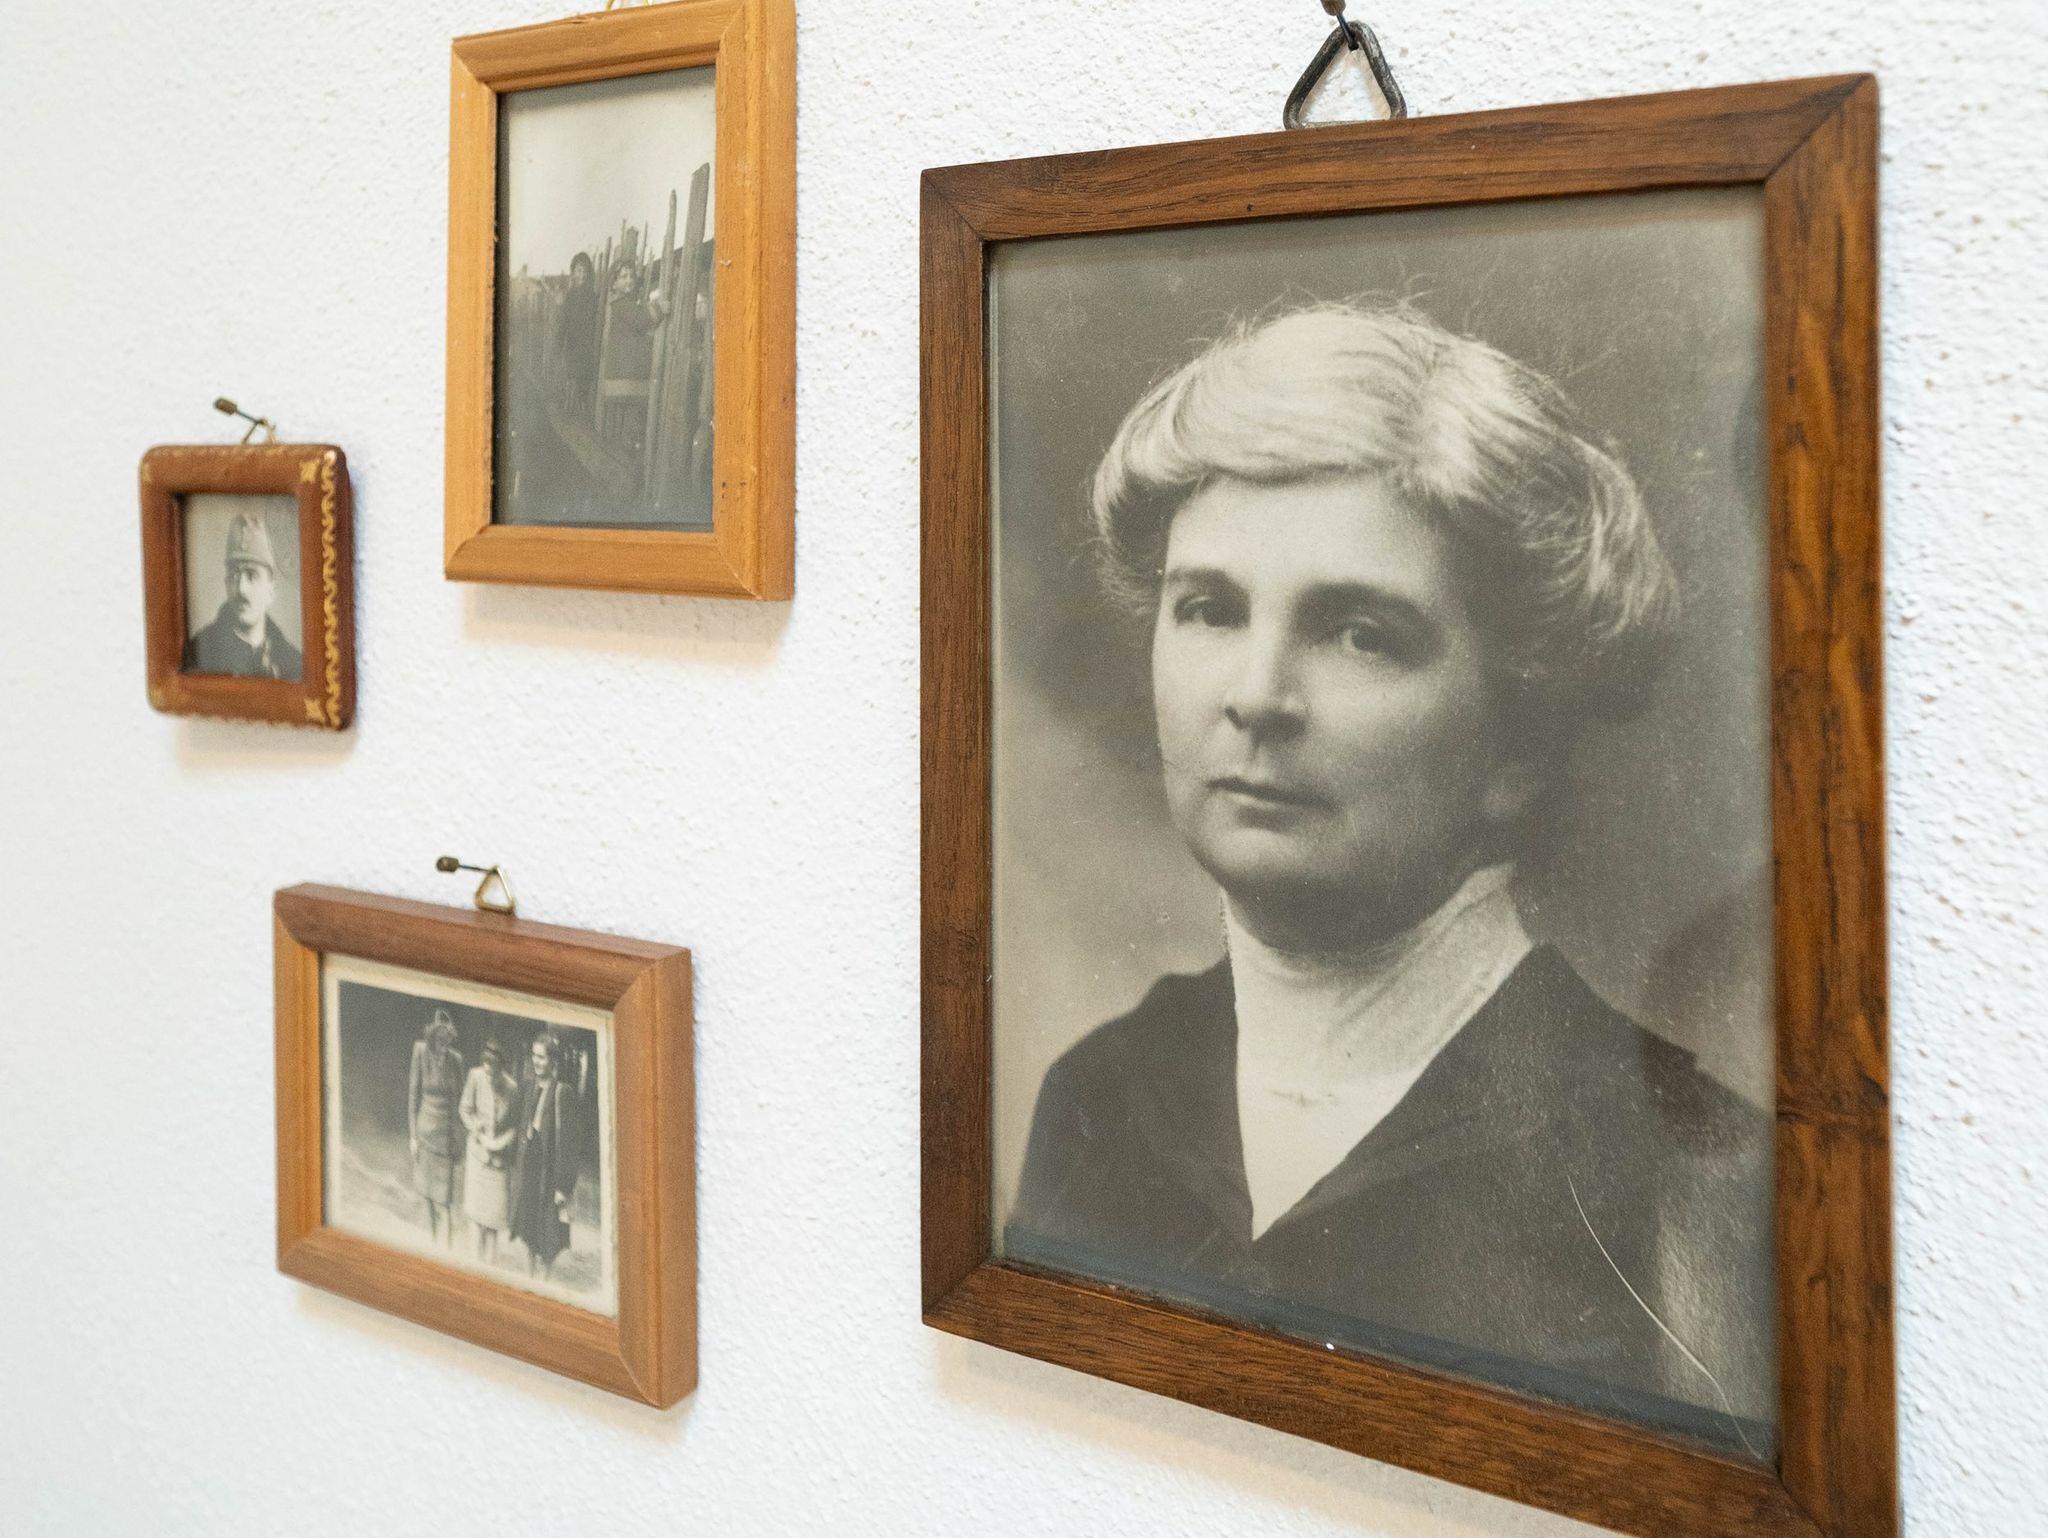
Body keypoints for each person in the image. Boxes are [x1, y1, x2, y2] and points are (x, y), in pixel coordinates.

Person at [1005, 301, 1776, 1456]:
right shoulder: (1103, 1089)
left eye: (1360, 632)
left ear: (1519, 736)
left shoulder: (1682, 1173)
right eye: (1209, 608)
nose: (1255, 695)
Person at [182, 509, 302, 679]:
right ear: (226, 583)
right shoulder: (198, 654)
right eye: (234, 576)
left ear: (271, 590)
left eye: (252, 575)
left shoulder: (293, 661)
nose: (241, 589)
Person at [510, 1030, 578, 1281]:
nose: (536, 1062)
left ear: (553, 1060)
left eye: (542, 1057)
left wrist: (563, 1186)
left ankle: (545, 1281)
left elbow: (569, 1145)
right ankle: (530, 1279)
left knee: (550, 1233)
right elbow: (519, 1124)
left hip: (550, 1174)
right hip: (530, 1169)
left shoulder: (562, 1093)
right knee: (527, 1227)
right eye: (534, 1056)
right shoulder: (528, 1087)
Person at [406, 1009, 465, 1247]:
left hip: (446, 1138)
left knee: (444, 1203)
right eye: (439, 1041)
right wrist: (413, 1137)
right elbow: (413, 1095)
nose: (443, 1046)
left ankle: (446, 1252)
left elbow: (461, 1103)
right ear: (432, 1038)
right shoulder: (420, 1051)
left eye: (447, 1041)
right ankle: (432, 1246)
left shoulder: (456, 1060)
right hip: (424, 1135)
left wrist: (459, 1140)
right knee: (428, 1199)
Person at [458, 1036, 519, 1264]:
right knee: (475, 1219)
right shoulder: (475, 1076)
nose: (488, 1073)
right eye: (486, 1067)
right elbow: (465, 1110)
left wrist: (501, 1142)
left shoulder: (512, 1089)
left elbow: (515, 1127)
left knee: (493, 1223)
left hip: (499, 1164)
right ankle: (474, 1267)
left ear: (501, 1067)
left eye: (493, 1070)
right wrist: (478, 1131)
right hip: (477, 1157)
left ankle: (489, 1268)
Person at [554, 251, 601, 417]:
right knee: (571, 373)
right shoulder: (570, 296)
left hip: (587, 341)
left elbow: (596, 320)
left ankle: (582, 405)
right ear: (573, 273)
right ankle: (569, 404)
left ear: (588, 274)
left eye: (584, 271)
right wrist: (559, 342)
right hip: (573, 341)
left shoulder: (593, 297)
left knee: (585, 375)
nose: (582, 275)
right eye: (578, 271)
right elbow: (564, 321)